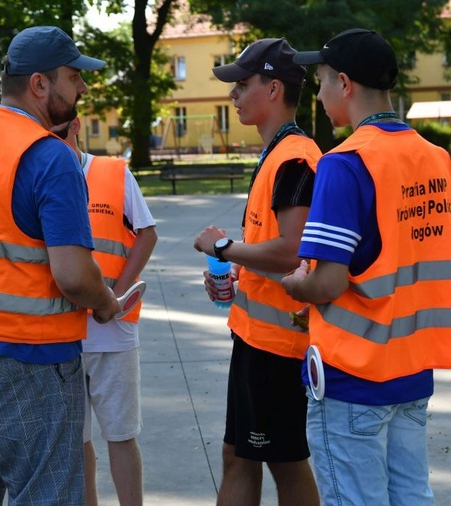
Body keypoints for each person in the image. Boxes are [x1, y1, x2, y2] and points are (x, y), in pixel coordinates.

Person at [0, 26, 121, 505]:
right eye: (74, 78)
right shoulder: (51, 157)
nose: (82, 89)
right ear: (40, 84)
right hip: (30, 358)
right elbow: (74, 275)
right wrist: (105, 303)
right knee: (47, 492)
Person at [281, 28, 451, 505]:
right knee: (412, 496)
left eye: (321, 81)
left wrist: (297, 285)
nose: (318, 93)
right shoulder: (437, 159)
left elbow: (329, 281)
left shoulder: (346, 162)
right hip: (413, 371)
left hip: (353, 376)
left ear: (345, 83)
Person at [193, 38, 321, 506]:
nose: (233, 95)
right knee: (239, 456)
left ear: (272, 89)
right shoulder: (279, 153)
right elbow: (275, 248)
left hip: (279, 346)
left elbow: (293, 251)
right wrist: (233, 273)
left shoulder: (295, 157)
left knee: (283, 462)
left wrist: (225, 248)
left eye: (242, 85)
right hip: (257, 339)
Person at [52, 117, 158, 506]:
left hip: (113, 332)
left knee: (121, 434)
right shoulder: (41, 173)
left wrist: (114, 293)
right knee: (76, 442)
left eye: (57, 133)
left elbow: (147, 233)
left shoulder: (113, 173)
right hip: (59, 333)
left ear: (76, 126)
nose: (51, 142)